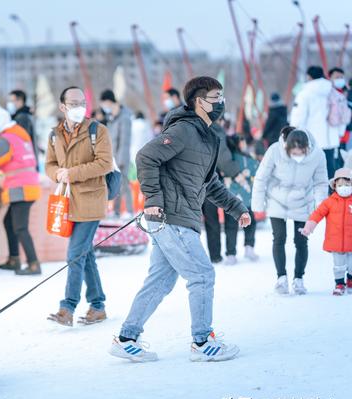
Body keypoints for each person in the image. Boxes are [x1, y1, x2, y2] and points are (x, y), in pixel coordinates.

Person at [110, 76, 250, 363]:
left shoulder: (206, 137)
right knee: (201, 274)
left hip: (179, 217)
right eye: (215, 97)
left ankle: (126, 338)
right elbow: (145, 157)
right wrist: (153, 201)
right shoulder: (185, 130)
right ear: (199, 101)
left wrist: (237, 208)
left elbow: (209, 183)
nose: (220, 102)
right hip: (169, 216)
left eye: (221, 96)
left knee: (160, 281)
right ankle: (202, 341)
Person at [45, 86, 113, 327]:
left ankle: (68, 307)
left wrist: (71, 173)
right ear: (62, 106)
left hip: (91, 201)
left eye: (82, 102)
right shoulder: (54, 134)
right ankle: (98, 306)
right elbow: (49, 165)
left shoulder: (98, 130)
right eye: (73, 103)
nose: (79, 107)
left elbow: (104, 163)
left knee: (75, 254)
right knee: (86, 255)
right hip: (68, 202)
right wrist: (59, 174)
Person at [252, 128, 328, 295]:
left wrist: (321, 206)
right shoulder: (274, 151)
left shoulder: (318, 155)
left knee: (301, 241)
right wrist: (258, 204)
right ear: (287, 148)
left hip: (303, 201)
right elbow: (261, 176)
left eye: (301, 152)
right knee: (279, 238)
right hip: (277, 199)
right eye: (293, 153)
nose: (297, 156)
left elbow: (321, 182)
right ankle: (281, 278)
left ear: (307, 148)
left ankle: (299, 278)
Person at [0, 108, 42, 275]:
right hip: (28, 185)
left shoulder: (6, 139)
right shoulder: (19, 135)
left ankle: (34, 264)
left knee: (20, 227)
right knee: (9, 222)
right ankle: (14, 259)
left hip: (20, 188)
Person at [301, 168, 352, 295]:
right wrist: (308, 227)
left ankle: (350, 280)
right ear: (335, 186)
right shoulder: (329, 202)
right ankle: (340, 283)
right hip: (336, 241)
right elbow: (317, 214)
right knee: (339, 265)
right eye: (340, 185)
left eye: (347, 184)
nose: (344, 187)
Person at [290, 66, 346, 179]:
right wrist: (339, 133)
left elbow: (297, 117)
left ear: (309, 77)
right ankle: (331, 193)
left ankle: (315, 194)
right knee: (330, 168)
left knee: (312, 170)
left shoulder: (305, 94)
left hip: (311, 139)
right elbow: (342, 115)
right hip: (331, 139)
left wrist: (293, 134)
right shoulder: (333, 92)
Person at [202, 121, 240, 264]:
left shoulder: (195, 128)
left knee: (211, 220)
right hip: (224, 179)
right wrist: (235, 171)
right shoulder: (216, 130)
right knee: (230, 214)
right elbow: (223, 158)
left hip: (203, 180)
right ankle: (231, 252)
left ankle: (215, 255)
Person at [223, 134, 259, 264]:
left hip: (230, 199)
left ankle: (231, 253)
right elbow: (255, 171)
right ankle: (248, 247)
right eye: (242, 141)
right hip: (244, 196)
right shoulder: (246, 158)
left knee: (231, 226)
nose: (244, 144)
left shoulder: (227, 159)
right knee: (250, 223)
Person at [100, 89, 133, 218]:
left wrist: (121, 160)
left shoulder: (124, 118)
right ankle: (116, 211)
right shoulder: (112, 117)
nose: (104, 107)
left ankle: (130, 211)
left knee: (124, 184)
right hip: (112, 157)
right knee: (115, 184)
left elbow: (125, 141)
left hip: (121, 157)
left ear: (108, 101)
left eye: (104, 103)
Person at [7, 89, 39, 170]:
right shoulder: (24, 115)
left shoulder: (22, 117)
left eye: (12, 100)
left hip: (25, 162)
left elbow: (22, 140)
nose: (10, 104)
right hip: (28, 160)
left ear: (20, 100)